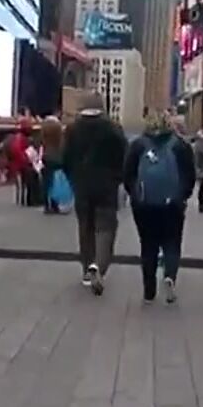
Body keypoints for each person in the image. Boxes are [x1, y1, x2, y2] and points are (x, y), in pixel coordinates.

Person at [124, 113, 196, 304]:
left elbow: (128, 174)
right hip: (172, 205)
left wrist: (135, 196)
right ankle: (170, 276)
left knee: (148, 245)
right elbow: (190, 175)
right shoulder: (180, 145)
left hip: (144, 205)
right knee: (172, 242)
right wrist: (181, 196)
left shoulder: (138, 145)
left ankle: (149, 290)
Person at [62, 92, 128, 295]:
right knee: (106, 227)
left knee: (85, 227)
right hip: (106, 186)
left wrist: (74, 178)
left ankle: (86, 268)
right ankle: (99, 265)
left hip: (82, 185)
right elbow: (124, 157)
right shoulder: (113, 129)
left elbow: (65, 158)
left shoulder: (72, 129)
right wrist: (118, 178)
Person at [40, 116, 65, 213]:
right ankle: (55, 205)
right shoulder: (59, 133)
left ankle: (46, 205)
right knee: (56, 182)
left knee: (46, 183)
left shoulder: (44, 134)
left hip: (47, 158)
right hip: (58, 159)